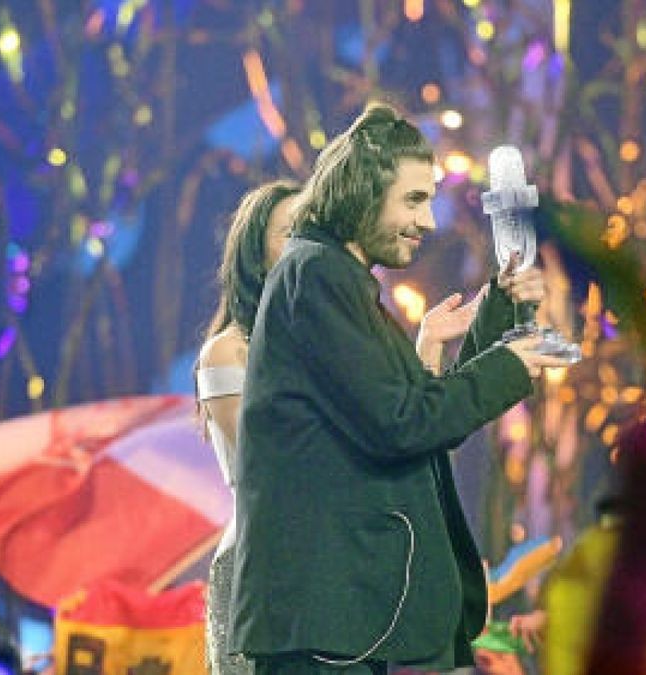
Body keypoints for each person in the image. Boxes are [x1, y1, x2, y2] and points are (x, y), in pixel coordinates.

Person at [229, 102, 565, 674]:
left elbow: (424, 414)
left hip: (343, 624)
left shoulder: (340, 279)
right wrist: (509, 365)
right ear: (361, 191)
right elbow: (403, 422)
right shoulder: (317, 274)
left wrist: (503, 309)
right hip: (323, 621)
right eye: (413, 199)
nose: (429, 222)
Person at [197, 178, 494, 675]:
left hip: (348, 572)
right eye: (290, 234)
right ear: (255, 253)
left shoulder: (336, 341)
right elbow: (278, 459)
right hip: (276, 573)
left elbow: (401, 432)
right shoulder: (230, 350)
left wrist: (425, 351)